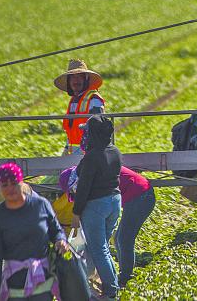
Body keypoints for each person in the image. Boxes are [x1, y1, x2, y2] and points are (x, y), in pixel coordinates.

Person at [0, 163, 70, 301]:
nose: (10, 188)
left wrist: (60, 240)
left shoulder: (40, 205)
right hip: (15, 284)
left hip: (42, 278)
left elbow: (56, 230)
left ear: (22, 182)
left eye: (14, 183)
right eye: (4, 185)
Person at [72, 115, 122, 300]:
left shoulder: (92, 156)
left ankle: (110, 290)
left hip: (96, 205)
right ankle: (105, 284)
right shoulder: (115, 151)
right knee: (103, 248)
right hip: (115, 201)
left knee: (99, 248)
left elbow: (84, 186)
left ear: (92, 134)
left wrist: (76, 212)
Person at [56, 59, 105, 155]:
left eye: (79, 77)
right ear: (69, 81)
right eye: (72, 77)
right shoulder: (73, 101)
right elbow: (72, 129)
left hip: (89, 151)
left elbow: (98, 127)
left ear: (86, 79)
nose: (76, 80)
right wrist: (66, 149)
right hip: (73, 151)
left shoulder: (93, 99)